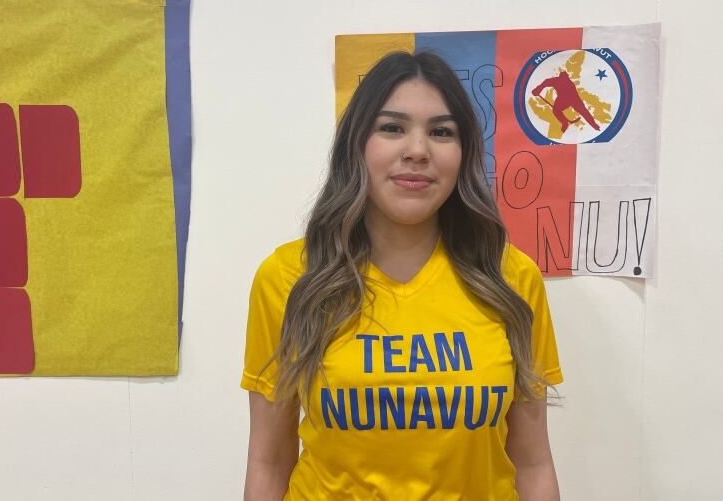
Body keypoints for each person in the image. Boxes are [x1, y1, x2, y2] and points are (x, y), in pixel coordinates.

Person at [241, 50, 564, 500]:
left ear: (463, 151)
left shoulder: (508, 277)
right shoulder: (291, 278)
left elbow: (533, 462)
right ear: (357, 144)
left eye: (441, 132)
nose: (417, 150)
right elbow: (268, 462)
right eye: (392, 128)